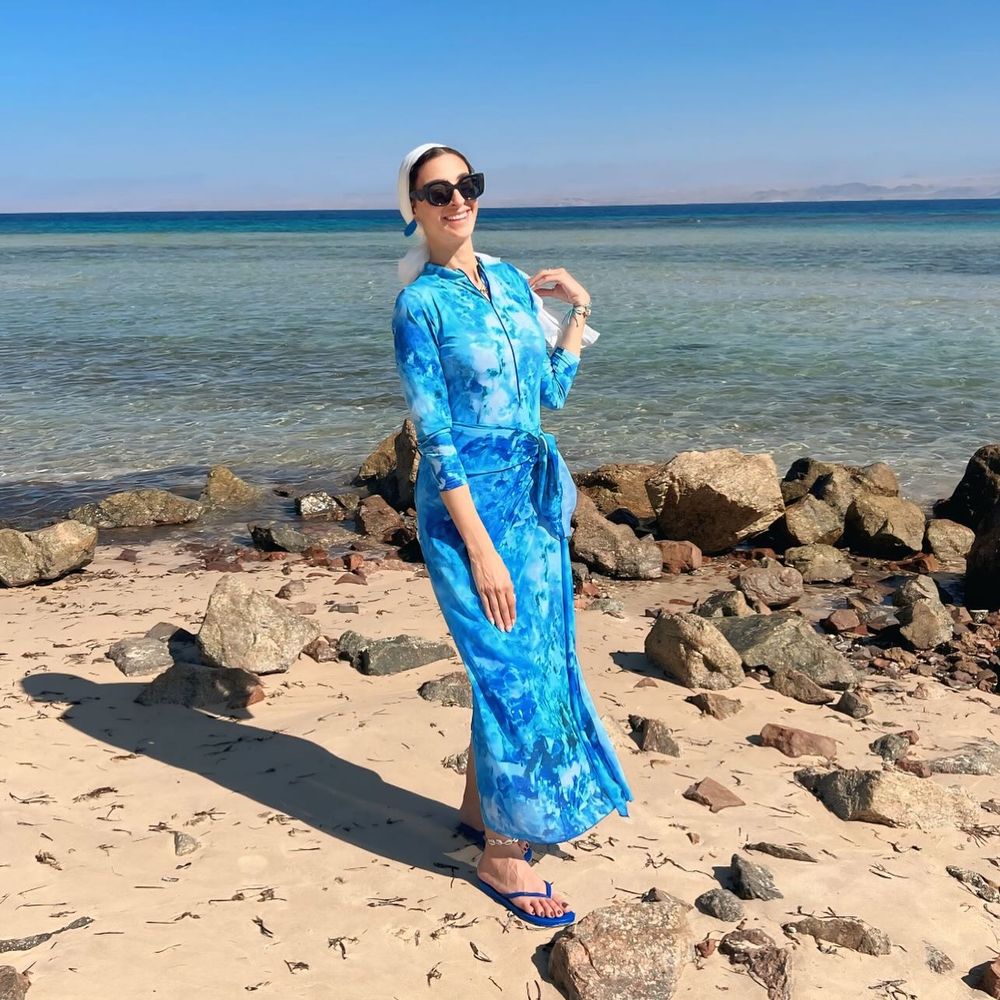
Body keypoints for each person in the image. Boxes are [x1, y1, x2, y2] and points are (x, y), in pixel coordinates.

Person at [390, 142, 634, 928]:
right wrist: (481, 545)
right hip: (468, 511)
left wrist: (577, 316)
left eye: (468, 185)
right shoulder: (419, 306)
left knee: (537, 656)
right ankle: (501, 854)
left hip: (531, 501)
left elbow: (548, 396)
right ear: (414, 207)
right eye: (437, 191)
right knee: (508, 666)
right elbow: (434, 436)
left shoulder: (504, 280)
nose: (456, 199)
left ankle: (478, 811)